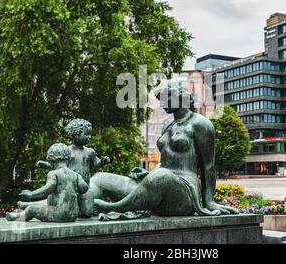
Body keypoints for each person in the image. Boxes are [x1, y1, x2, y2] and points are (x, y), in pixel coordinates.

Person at [90, 80, 238, 217]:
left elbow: (208, 166)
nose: (161, 104)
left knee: (161, 176)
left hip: (184, 193)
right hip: (159, 182)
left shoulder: (201, 123)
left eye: (163, 98)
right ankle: (83, 206)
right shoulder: (167, 125)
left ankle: (112, 208)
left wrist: (209, 202)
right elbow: (164, 162)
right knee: (101, 178)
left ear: (177, 95)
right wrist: (148, 174)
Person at [35, 119, 110, 217]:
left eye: (90, 134)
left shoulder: (90, 151)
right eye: (87, 134)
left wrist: (103, 161)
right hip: (70, 188)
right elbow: (58, 165)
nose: (90, 137)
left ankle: (79, 210)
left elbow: (96, 163)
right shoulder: (67, 151)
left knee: (88, 214)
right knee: (69, 208)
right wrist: (46, 165)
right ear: (76, 134)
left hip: (85, 188)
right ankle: (72, 211)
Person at [7, 143, 88, 222]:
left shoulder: (53, 173)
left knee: (32, 209)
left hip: (60, 214)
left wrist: (32, 194)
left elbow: (48, 188)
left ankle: (18, 217)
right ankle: (26, 207)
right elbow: (84, 188)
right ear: (68, 158)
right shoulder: (75, 174)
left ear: (51, 160)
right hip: (73, 214)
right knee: (49, 200)